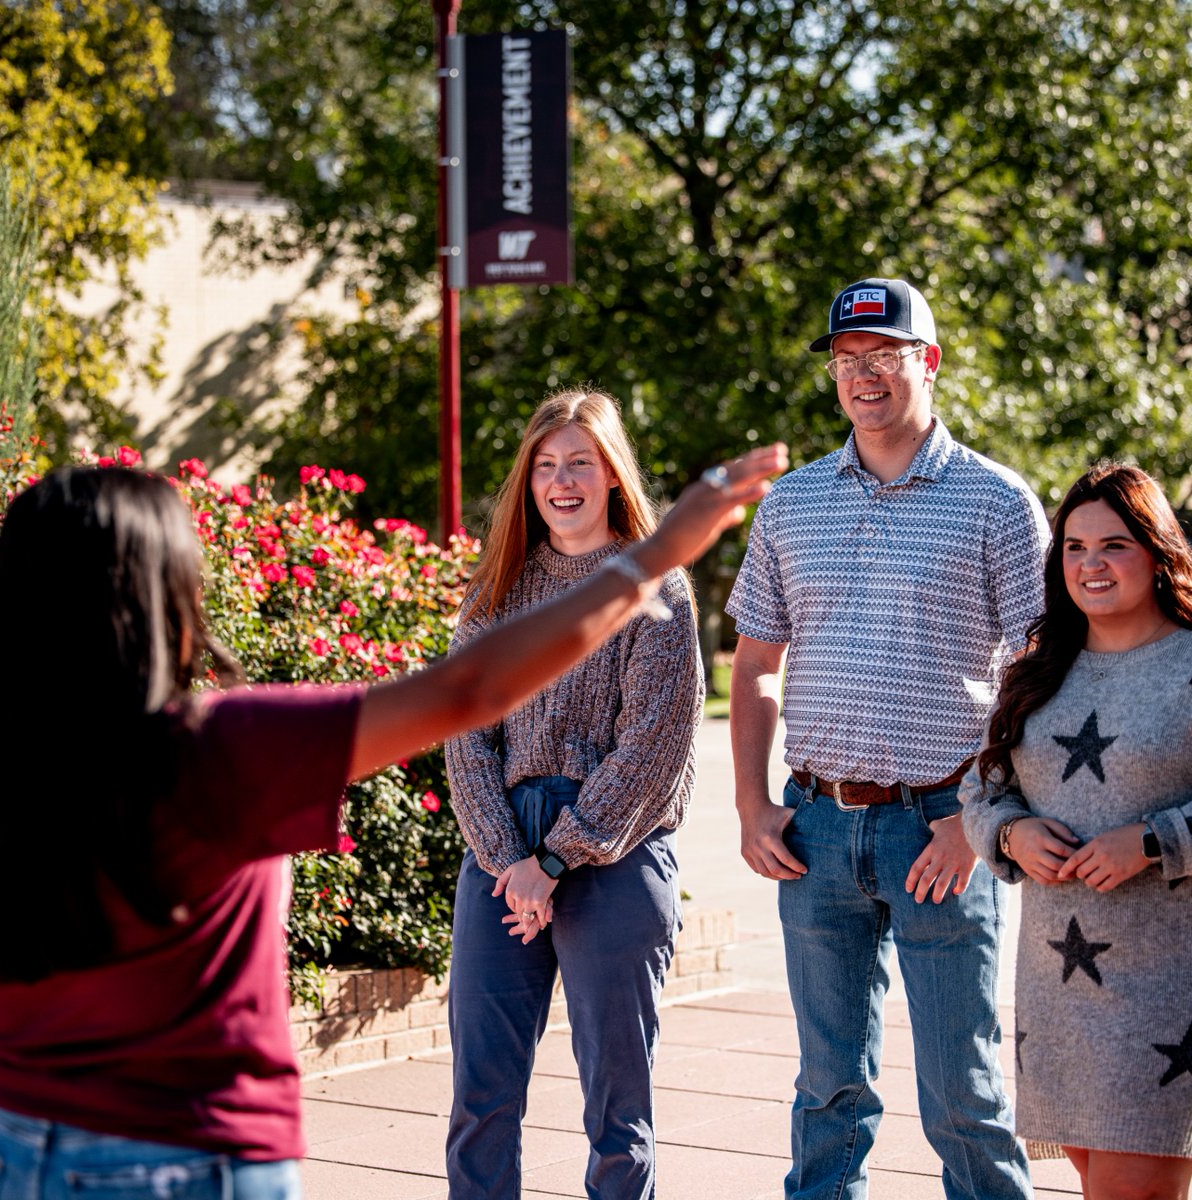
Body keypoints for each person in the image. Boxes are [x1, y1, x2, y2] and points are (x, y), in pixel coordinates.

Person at [0, 440, 785, 1200]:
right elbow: (465, 694)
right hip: (188, 1154)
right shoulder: (226, 747)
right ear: (160, 597)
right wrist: (653, 556)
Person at [726, 276, 1048, 1199]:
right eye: (846, 361)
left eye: (885, 357)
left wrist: (978, 821)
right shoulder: (791, 504)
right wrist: (752, 805)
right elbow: (752, 668)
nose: (864, 377)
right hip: (815, 827)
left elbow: (1038, 675)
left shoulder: (996, 501)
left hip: (942, 826)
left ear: (929, 362)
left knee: (962, 1092)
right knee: (828, 1086)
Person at [442, 388, 704, 1199]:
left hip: (614, 854)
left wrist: (555, 858)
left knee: (616, 1113)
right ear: (528, 482)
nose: (562, 481)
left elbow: (653, 751)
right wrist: (509, 856)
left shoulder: (658, 592)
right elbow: (465, 730)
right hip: (503, 855)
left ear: (613, 476)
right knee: (481, 1095)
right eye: (546, 466)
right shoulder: (497, 593)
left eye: (580, 463)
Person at [961, 462, 1192, 1200]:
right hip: (1059, 988)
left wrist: (1155, 840)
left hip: (1168, 988)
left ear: (1157, 552)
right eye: (1074, 547)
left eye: (1114, 546)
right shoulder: (1038, 668)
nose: (1091, 565)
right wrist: (1009, 835)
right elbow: (981, 788)